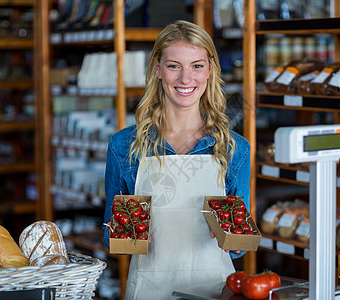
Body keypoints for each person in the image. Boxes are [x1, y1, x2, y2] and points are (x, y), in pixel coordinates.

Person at [102, 20, 251, 300]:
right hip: (149, 289)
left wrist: (234, 234)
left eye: (197, 65)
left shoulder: (234, 148)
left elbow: (239, 242)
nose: (185, 79)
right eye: (174, 66)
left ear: (210, 70)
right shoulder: (124, 146)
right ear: (157, 69)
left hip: (214, 288)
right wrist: (121, 232)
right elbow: (113, 233)